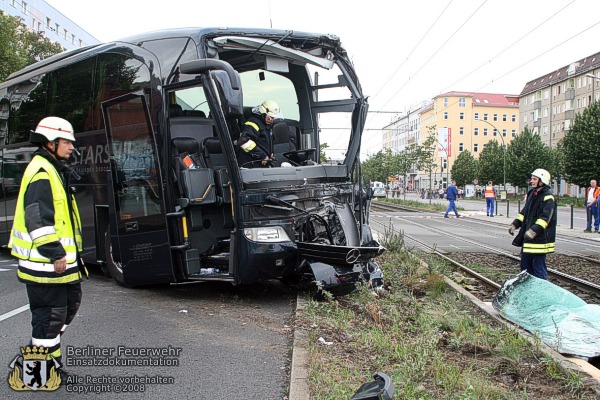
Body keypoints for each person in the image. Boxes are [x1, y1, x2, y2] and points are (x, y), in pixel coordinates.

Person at [9, 117, 87, 379]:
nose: (71, 147)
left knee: (66, 308)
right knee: (48, 318)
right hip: (45, 263)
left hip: (57, 262)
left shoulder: (51, 167)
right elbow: (37, 218)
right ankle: (39, 372)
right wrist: (55, 252)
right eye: (67, 142)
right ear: (51, 143)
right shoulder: (41, 172)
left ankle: (44, 357)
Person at [508, 168, 556, 280]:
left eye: (534, 179)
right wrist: (515, 224)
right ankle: (527, 291)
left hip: (539, 240)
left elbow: (545, 218)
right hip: (528, 239)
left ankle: (541, 290)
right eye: (532, 179)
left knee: (538, 269)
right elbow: (525, 212)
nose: (531, 181)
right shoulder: (532, 193)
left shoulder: (548, 196)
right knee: (525, 268)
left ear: (542, 181)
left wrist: (534, 231)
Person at [237, 99, 281, 167]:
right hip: (250, 166)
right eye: (270, 117)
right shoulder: (253, 124)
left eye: (273, 118)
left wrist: (270, 156)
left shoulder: (266, 125)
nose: (271, 120)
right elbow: (244, 141)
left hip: (260, 165)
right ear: (263, 114)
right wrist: (262, 155)